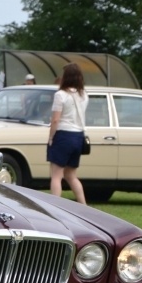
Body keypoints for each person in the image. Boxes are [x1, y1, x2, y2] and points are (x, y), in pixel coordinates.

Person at [47, 63, 87, 204]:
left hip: (63, 135)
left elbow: (56, 120)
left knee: (56, 175)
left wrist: (51, 137)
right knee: (71, 175)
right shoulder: (83, 95)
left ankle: (55, 205)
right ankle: (83, 205)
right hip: (78, 136)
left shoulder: (60, 95)